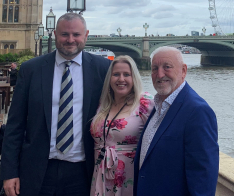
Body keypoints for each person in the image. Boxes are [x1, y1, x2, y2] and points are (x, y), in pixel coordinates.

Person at [1, 13, 111, 196]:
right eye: (64, 34)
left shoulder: (103, 69)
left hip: (84, 171)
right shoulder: (31, 69)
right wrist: (9, 172)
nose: (70, 40)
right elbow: (15, 124)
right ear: (54, 34)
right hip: (38, 169)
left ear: (86, 35)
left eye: (76, 34)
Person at [133, 47, 219, 196]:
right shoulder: (159, 104)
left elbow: (204, 175)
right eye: (155, 68)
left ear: (183, 71)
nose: (160, 74)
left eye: (167, 67)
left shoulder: (197, 111)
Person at [90, 55, 153, 196]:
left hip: (129, 175)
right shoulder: (103, 104)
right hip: (100, 172)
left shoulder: (144, 103)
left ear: (134, 78)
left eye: (127, 74)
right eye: (116, 74)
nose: (121, 79)